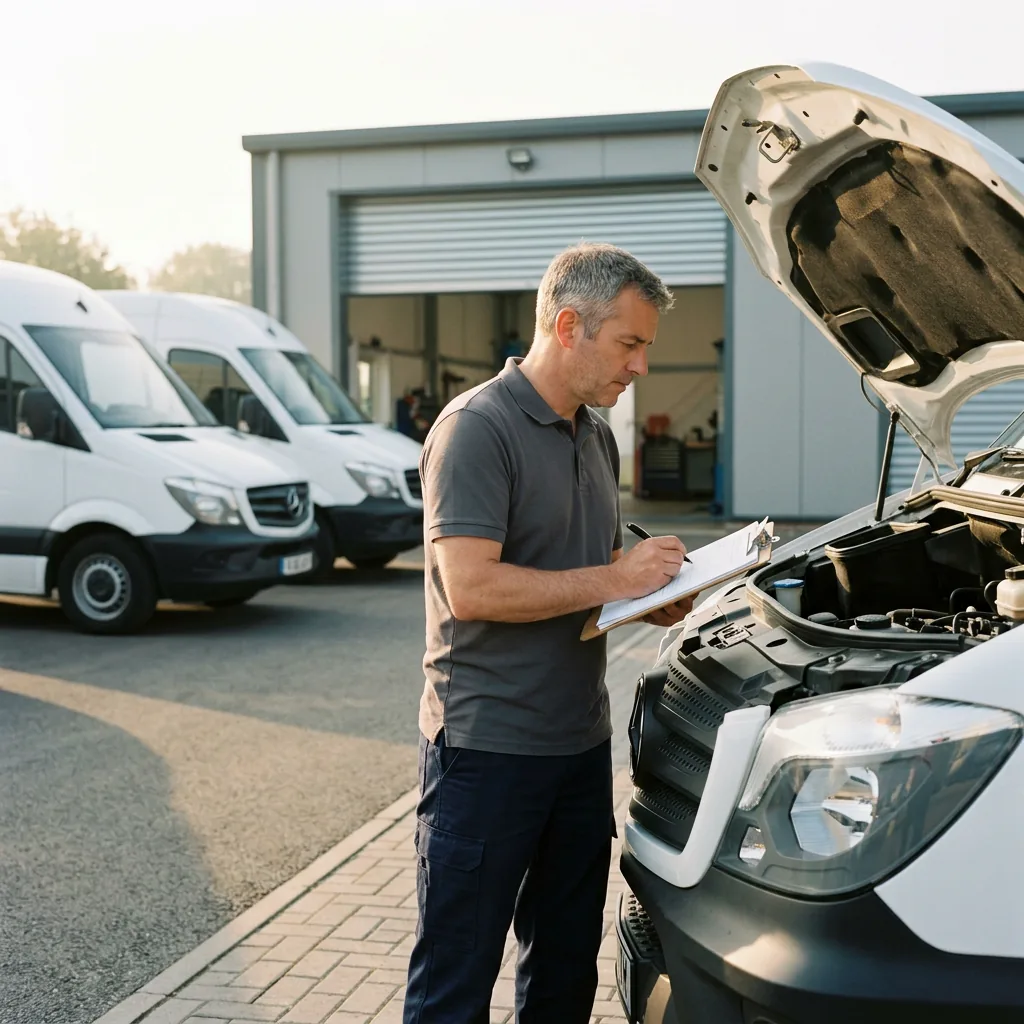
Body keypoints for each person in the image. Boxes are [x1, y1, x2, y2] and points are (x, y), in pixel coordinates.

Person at [404, 242, 692, 1024]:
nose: (640, 367)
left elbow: (583, 573)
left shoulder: (594, 436)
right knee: (454, 986)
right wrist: (615, 578)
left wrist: (649, 598)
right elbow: (472, 586)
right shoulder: (476, 430)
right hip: (485, 756)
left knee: (563, 976)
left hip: (576, 751)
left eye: (645, 348)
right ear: (569, 325)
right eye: (629, 344)